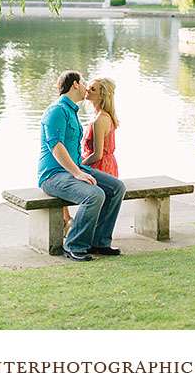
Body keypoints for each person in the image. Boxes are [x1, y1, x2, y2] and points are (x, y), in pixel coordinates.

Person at [39, 71, 126, 262]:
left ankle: (99, 241)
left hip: (74, 169)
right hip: (53, 175)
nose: (87, 87)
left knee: (117, 187)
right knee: (94, 194)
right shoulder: (56, 110)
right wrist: (77, 173)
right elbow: (56, 146)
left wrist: (79, 170)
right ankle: (74, 245)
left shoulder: (71, 111)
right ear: (76, 85)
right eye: (84, 82)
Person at [61, 77, 120, 233]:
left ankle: (69, 223)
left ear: (102, 96)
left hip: (99, 167)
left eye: (93, 89)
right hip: (108, 164)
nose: (87, 90)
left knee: (63, 180)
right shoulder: (105, 116)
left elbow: (97, 154)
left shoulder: (99, 120)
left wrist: (79, 167)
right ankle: (68, 221)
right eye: (89, 87)